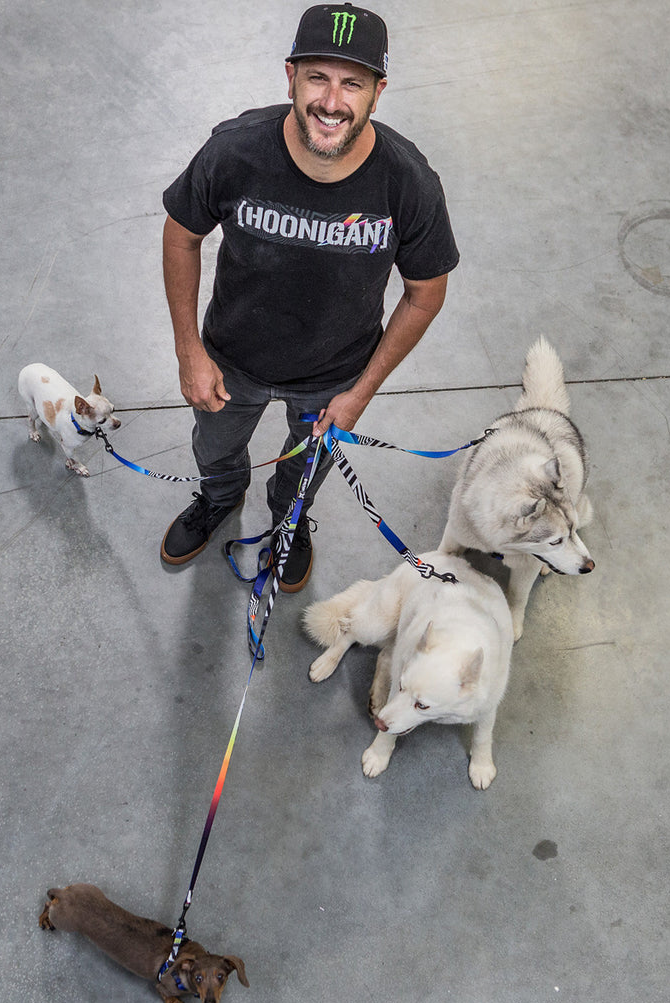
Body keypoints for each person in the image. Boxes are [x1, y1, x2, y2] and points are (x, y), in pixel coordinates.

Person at [160, 3, 459, 592]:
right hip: (230, 361)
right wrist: (189, 350)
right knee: (215, 449)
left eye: (353, 82)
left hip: (333, 377)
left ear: (379, 91)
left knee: (304, 470)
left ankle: (287, 521)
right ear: (290, 75)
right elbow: (181, 233)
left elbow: (425, 293)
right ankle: (219, 498)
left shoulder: (408, 183)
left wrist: (360, 392)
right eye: (318, 77)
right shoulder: (235, 151)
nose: (331, 100)